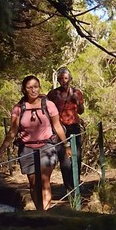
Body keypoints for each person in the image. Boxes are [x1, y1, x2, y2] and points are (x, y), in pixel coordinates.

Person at [0, 75, 65, 211]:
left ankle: (44, 213)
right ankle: (39, 210)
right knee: (33, 184)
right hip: (27, 148)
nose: (33, 90)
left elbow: (57, 126)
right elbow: (13, 131)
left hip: (47, 146)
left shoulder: (48, 105)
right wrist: (2, 148)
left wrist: (66, 145)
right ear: (24, 89)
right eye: (29, 87)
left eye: (36, 87)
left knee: (45, 180)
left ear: (39, 87)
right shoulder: (18, 108)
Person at [48, 66, 85, 195]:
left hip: (74, 126)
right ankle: (69, 187)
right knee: (63, 158)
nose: (64, 81)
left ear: (70, 79)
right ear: (58, 80)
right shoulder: (53, 94)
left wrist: (77, 101)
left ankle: (76, 183)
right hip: (59, 128)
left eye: (66, 78)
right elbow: (47, 111)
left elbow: (81, 111)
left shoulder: (77, 92)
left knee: (77, 156)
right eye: (61, 78)